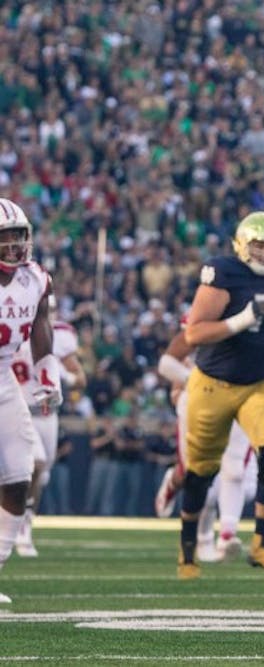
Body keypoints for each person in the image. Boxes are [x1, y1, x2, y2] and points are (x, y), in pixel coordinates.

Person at [176, 211, 264, 580]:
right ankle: (188, 549)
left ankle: (262, 544)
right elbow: (194, 335)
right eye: (259, 246)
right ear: (241, 245)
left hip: (259, 381)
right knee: (201, 471)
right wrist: (241, 320)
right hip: (212, 383)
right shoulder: (223, 273)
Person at [156, 319, 258, 562]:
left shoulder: (249, 319)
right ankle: (174, 483)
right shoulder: (200, 322)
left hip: (235, 399)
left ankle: (225, 535)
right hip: (199, 403)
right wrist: (193, 388)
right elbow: (171, 371)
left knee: (237, 478)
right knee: (196, 476)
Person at [0, 198, 59, 603]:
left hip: (3, 379)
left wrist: (47, 376)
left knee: (20, 475)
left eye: (19, 236)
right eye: (5, 238)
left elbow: (40, 324)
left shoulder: (36, 278)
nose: (14, 245)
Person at [11, 297, 86, 556]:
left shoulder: (61, 335)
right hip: (17, 412)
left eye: (50, 310)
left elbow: (81, 380)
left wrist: (63, 376)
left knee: (41, 476)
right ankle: (18, 527)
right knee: (36, 463)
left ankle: (25, 523)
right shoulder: (10, 331)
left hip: (47, 416)